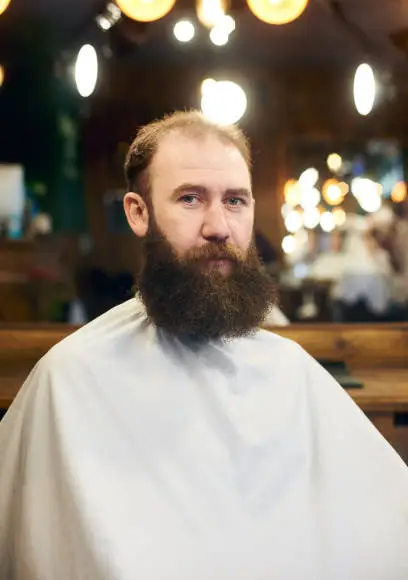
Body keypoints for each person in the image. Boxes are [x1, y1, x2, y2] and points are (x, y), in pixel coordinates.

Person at [0, 111, 407, 580]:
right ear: (138, 211)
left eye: (235, 201)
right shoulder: (71, 377)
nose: (219, 226)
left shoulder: (290, 370)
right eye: (190, 199)